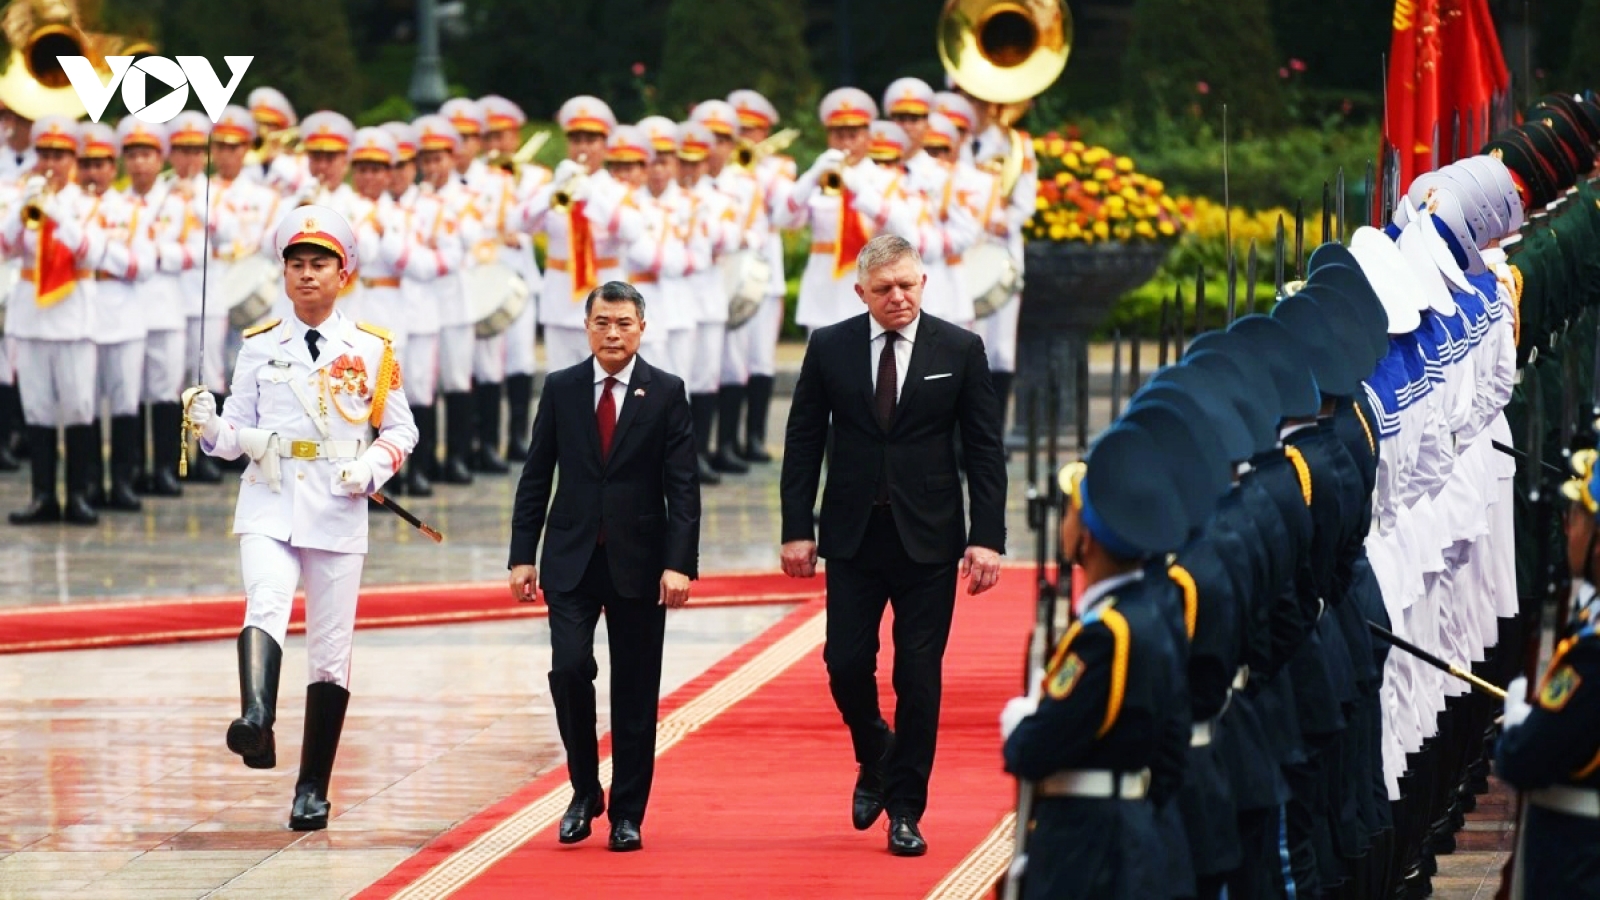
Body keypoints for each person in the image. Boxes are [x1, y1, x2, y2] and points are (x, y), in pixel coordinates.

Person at [185, 204, 418, 831]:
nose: (307, 275)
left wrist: (370, 470)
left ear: (345, 273)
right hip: (269, 494)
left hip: (339, 507)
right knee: (264, 601)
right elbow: (237, 433)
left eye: (320, 264)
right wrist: (210, 428)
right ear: (283, 274)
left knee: (330, 650)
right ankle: (256, 722)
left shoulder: (371, 349)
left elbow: (401, 430)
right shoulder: (259, 347)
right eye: (296, 264)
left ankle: (312, 786)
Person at [779, 233, 1007, 855]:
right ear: (862, 293)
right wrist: (797, 527)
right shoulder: (830, 347)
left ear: (923, 284)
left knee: (919, 675)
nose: (898, 297)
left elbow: (985, 450)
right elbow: (802, 442)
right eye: (884, 290)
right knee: (844, 664)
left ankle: (906, 807)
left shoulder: (959, 348)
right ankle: (875, 748)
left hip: (930, 540)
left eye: (907, 285)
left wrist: (987, 538)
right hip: (853, 536)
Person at [507, 280, 700, 853]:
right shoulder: (563, 388)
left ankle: (628, 813)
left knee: (636, 692)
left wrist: (679, 564)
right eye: (602, 323)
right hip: (570, 559)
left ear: (642, 328)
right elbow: (537, 472)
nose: (612, 334)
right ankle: (584, 790)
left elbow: (682, 487)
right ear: (586, 327)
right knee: (569, 670)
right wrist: (522, 553)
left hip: (641, 564)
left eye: (623, 324)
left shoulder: (666, 392)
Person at [1000, 423, 1196, 900]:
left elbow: (1030, 751)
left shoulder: (1105, 637)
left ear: (1085, 537)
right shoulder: (1156, 606)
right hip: (1133, 836)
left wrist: (1021, 721)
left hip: (1086, 851)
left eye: (1070, 512)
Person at [1496, 449, 1600, 900]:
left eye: (1578, 516)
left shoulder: (1592, 653)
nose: (1568, 528)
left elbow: (1525, 758)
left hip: (1576, 858)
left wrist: (1520, 720)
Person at [4, 116, 104, 526]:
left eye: (59, 156)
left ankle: (78, 495)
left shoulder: (90, 204)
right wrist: (20, 211)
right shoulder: (21, 197)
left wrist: (58, 214)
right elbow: (5, 248)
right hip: (30, 316)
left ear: (73, 161)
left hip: (74, 317)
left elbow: (90, 254)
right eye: (44, 154)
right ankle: (43, 495)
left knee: (79, 406)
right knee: (38, 409)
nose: (50, 163)